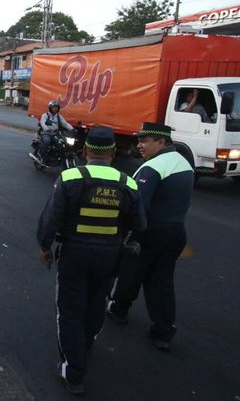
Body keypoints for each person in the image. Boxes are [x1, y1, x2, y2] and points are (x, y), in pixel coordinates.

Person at [37, 126, 146, 395]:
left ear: (86, 151)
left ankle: (74, 372)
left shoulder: (70, 177)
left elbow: (51, 220)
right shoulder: (128, 182)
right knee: (97, 301)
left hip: (74, 254)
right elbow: (139, 225)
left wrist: (45, 247)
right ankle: (85, 342)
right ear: (112, 152)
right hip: (110, 256)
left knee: (70, 310)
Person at [107, 122, 194, 352]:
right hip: (176, 231)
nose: (139, 145)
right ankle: (163, 331)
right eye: (139, 140)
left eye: (144, 140)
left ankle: (118, 309)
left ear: (161, 142)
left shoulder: (153, 167)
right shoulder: (184, 163)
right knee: (162, 281)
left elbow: (139, 206)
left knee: (130, 271)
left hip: (150, 232)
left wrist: (127, 233)